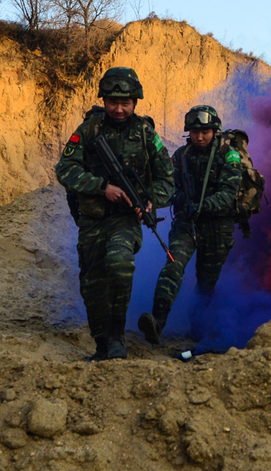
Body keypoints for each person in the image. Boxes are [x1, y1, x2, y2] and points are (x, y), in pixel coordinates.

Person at [56, 67, 174, 361]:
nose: (119, 109)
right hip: (94, 217)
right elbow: (65, 169)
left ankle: (117, 336)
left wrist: (149, 201)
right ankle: (101, 343)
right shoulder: (88, 130)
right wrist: (100, 187)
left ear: (135, 102)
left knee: (120, 263)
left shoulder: (147, 135)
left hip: (126, 218)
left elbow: (167, 181)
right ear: (104, 100)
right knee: (92, 281)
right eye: (112, 102)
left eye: (125, 103)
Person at [138, 105, 242, 345]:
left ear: (214, 130)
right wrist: (152, 203)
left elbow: (229, 192)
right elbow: (167, 187)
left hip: (217, 227)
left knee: (206, 282)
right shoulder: (182, 155)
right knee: (172, 267)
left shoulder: (228, 154)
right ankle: (157, 321)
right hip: (186, 224)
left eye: (205, 130)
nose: (200, 136)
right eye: (195, 131)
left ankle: (198, 329)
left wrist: (203, 205)